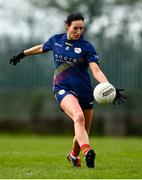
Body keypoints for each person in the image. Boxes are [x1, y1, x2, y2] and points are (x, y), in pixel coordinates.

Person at [9, 12, 126, 168]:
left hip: (85, 92)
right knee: (78, 117)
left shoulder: (87, 47)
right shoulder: (56, 40)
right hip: (62, 89)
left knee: (82, 129)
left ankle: (73, 155)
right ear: (67, 26)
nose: (78, 32)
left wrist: (109, 87)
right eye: (75, 28)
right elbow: (41, 47)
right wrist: (22, 54)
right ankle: (87, 153)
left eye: (81, 29)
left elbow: (96, 70)